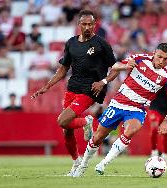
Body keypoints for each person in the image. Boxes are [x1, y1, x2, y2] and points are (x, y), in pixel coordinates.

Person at [31, 10, 119, 177]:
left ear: (94, 25)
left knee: (62, 121)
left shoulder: (102, 44)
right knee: (67, 131)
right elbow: (63, 69)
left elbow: (115, 69)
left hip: (90, 89)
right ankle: (76, 163)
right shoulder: (71, 43)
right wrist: (47, 86)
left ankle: (87, 121)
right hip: (72, 88)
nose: (87, 27)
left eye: (90, 24)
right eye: (84, 24)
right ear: (79, 25)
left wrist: (103, 82)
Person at [73, 43, 167, 177]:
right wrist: (123, 67)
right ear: (154, 53)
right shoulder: (140, 59)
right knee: (98, 137)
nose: (161, 61)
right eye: (159, 57)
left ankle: (103, 163)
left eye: (166, 59)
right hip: (118, 104)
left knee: (131, 130)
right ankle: (83, 165)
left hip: (137, 109)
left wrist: (166, 121)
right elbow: (116, 66)